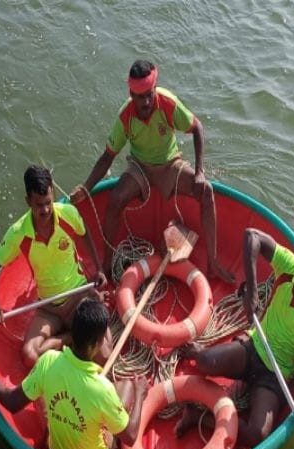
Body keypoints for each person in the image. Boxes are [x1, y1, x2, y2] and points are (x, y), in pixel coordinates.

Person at [179, 228, 294, 447]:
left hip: (275, 376)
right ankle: (203, 353)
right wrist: (252, 291)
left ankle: (198, 417)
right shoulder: (289, 266)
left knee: (257, 435)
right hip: (253, 346)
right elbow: (251, 236)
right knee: (203, 362)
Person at [70, 59, 234, 284]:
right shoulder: (125, 116)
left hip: (170, 165)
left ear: (155, 88)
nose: (146, 101)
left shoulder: (168, 104)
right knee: (115, 199)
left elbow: (197, 128)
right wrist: (86, 187)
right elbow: (108, 155)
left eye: (150, 94)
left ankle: (214, 263)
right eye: (140, 97)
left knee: (206, 191)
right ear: (131, 93)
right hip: (140, 168)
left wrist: (199, 171)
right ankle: (107, 264)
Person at [0, 298, 148, 449]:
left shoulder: (48, 361)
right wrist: (141, 395)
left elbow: (12, 402)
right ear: (99, 342)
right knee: (126, 386)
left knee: (41, 389)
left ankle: (47, 438)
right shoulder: (103, 389)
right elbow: (130, 436)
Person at [0, 165, 107, 367]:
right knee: (29, 355)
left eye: (49, 202)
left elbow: (84, 233)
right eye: (39, 205)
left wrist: (99, 269)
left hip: (79, 297)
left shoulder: (69, 214)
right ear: (28, 202)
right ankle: (71, 336)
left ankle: (68, 338)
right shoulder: (18, 233)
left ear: (53, 194)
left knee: (103, 355)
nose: (46, 210)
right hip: (49, 307)